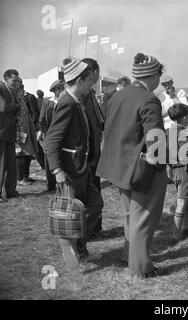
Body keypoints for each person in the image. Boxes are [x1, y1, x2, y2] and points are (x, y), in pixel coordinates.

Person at [97, 52, 168, 278]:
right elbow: (155, 138)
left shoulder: (116, 96)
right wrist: (159, 166)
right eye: (160, 74)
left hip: (118, 166)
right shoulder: (149, 99)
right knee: (143, 218)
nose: (160, 80)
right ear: (153, 75)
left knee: (129, 215)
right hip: (141, 169)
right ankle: (140, 267)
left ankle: (128, 255)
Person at [46, 57, 104, 268]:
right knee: (73, 210)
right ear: (80, 80)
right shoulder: (68, 103)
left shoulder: (76, 100)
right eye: (90, 81)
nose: (92, 84)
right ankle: (71, 243)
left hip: (83, 165)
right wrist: (57, 170)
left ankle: (75, 243)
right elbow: (51, 140)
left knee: (95, 205)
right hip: (71, 169)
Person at [166, 103, 188, 245]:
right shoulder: (184, 133)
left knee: (186, 199)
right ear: (185, 117)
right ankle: (175, 237)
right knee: (181, 202)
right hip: (185, 170)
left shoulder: (169, 131)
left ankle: (185, 227)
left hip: (175, 170)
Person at [82, 58, 105, 236]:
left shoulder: (89, 93)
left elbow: (98, 120)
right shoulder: (81, 94)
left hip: (94, 153)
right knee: (90, 198)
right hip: (86, 156)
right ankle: (86, 233)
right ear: (95, 72)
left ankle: (95, 229)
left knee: (95, 193)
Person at [37, 79, 65, 191]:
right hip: (50, 134)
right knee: (50, 159)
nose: (64, 90)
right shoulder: (47, 102)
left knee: (63, 158)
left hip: (65, 134)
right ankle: (51, 185)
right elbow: (42, 119)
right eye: (62, 88)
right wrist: (44, 132)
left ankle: (64, 184)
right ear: (57, 91)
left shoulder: (67, 101)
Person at [0, 69, 21, 202]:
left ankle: (11, 191)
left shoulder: (12, 91)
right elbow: (3, 107)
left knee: (11, 164)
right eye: (14, 81)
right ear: (6, 79)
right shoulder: (1, 89)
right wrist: (17, 105)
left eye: (17, 80)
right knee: (1, 164)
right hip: (1, 132)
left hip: (10, 133)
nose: (16, 83)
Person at [14, 79, 38, 185]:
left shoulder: (24, 99)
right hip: (20, 131)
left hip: (27, 130)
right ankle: (20, 178)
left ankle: (25, 176)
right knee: (20, 154)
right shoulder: (14, 100)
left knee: (28, 154)